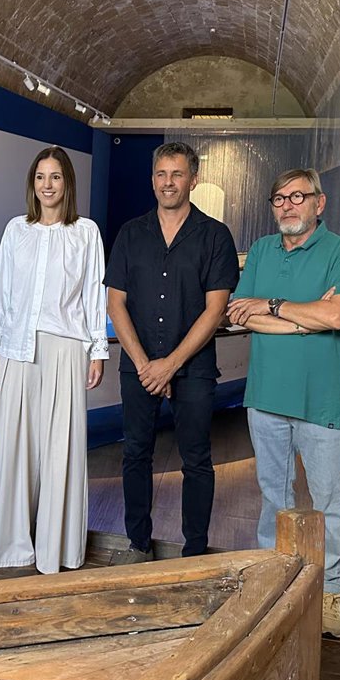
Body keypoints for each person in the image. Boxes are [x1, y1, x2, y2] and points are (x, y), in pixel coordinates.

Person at [226, 168, 340, 638]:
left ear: (319, 203)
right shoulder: (262, 249)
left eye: (298, 197)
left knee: (327, 504)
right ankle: (276, 581)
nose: (287, 205)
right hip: (266, 398)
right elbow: (238, 314)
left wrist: (273, 306)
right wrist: (306, 321)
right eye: (279, 198)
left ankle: (331, 592)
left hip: (322, 404)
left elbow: (337, 315)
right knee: (273, 499)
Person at [104, 141, 239, 562]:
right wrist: (146, 365)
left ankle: (194, 551)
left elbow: (215, 310)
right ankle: (138, 544)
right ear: (152, 180)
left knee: (196, 460)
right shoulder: (130, 234)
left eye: (177, 174)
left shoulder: (215, 236)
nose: (168, 182)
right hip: (138, 366)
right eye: (161, 174)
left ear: (193, 180)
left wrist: (170, 365)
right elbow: (115, 303)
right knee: (135, 454)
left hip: (194, 369)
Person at [0, 146, 108, 573]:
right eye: (40, 177)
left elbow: (93, 294)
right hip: (17, 347)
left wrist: (97, 350)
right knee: (12, 445)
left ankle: (57, 547)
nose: (47, 185)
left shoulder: (86, 232)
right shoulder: (16, 229)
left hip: (66, 349)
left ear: (67, 182)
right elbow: (2, 290)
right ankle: (9, 545)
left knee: (60, 447)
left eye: (55, 177)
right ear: (31, 183)